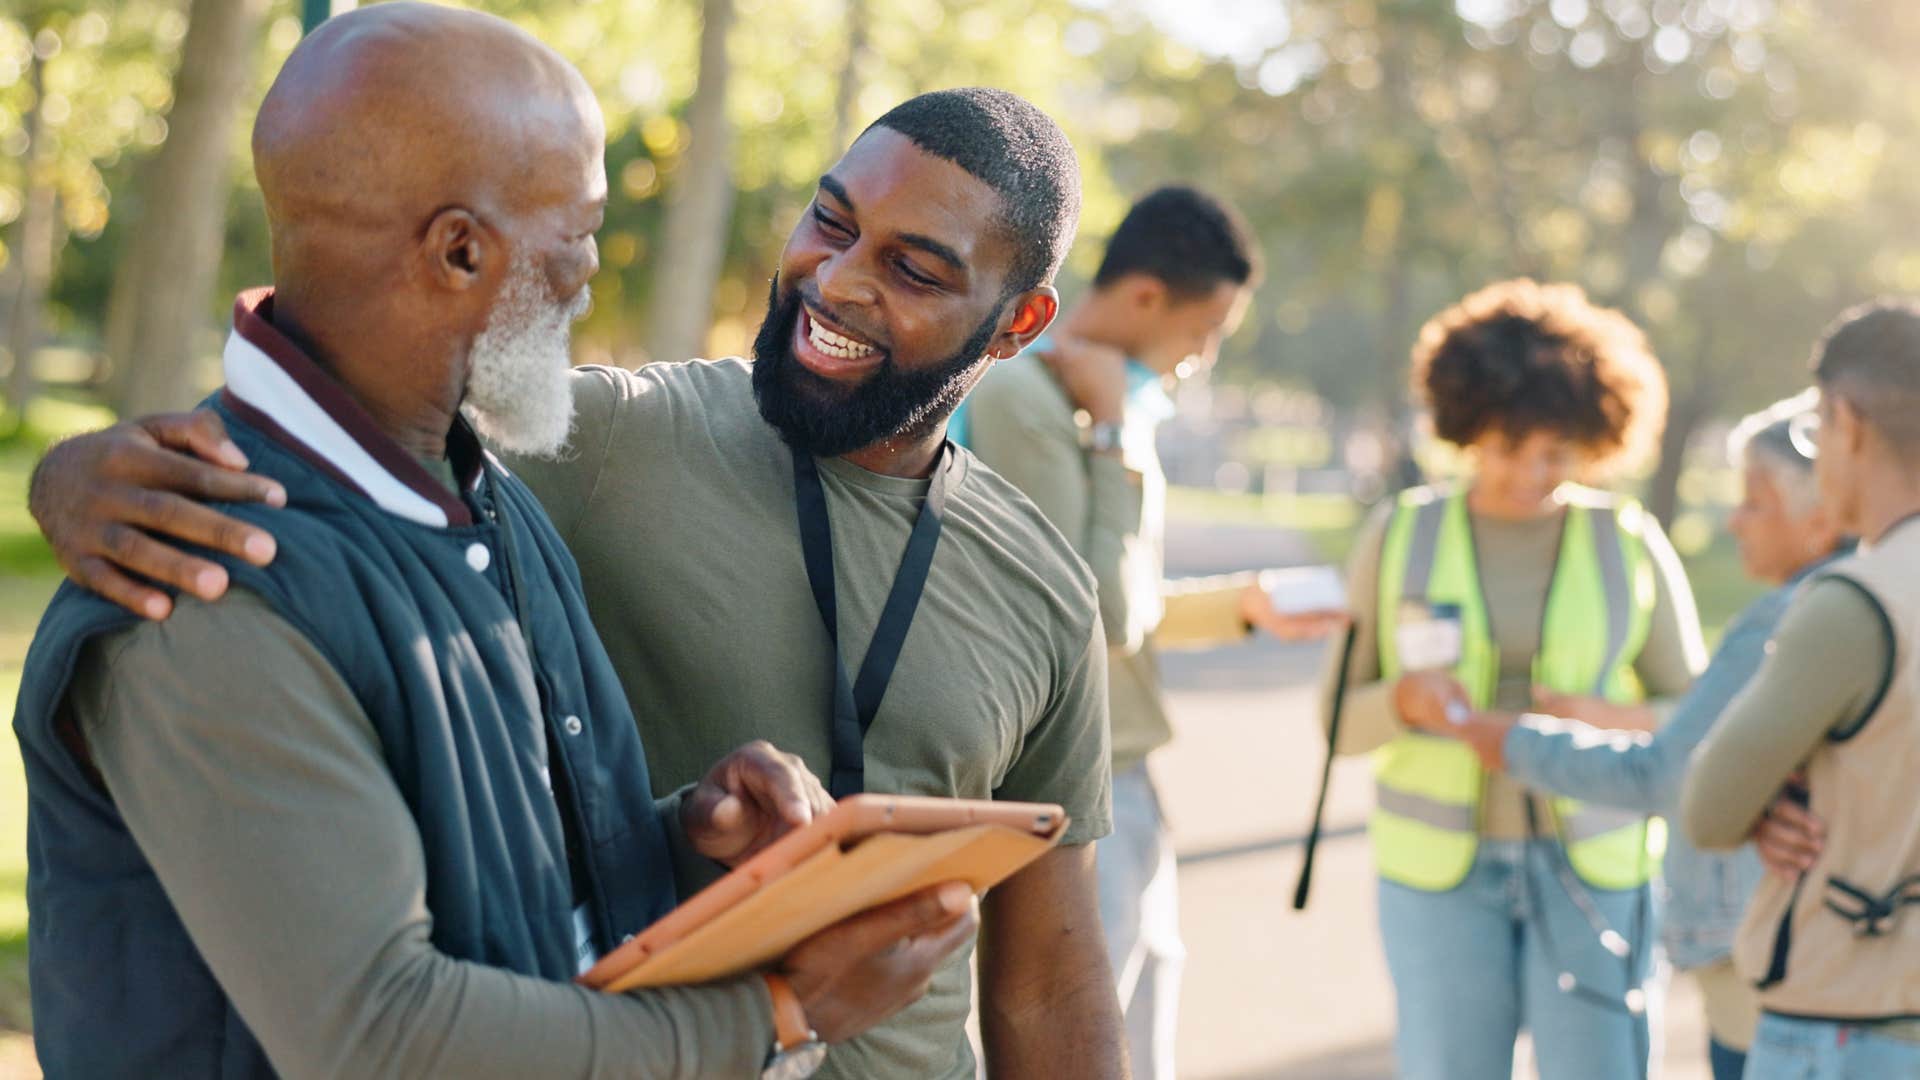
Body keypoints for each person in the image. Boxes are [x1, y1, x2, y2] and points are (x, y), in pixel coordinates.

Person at [29, 87, 1125, 1078]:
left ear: (1020, 321)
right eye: (831, 222)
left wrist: (696, 831)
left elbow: (1049, 983)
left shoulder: (1045, 589)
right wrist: (71, 475)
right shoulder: (610, 436)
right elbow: (325, 425)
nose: (837, 279)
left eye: (915, 269)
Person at [960, 185, 1341, 1080]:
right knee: (1089, 1044)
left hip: (1122, 771)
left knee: (1141, 1024)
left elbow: (1112, 604)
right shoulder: (1034, 395)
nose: (1202, 358)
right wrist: (1119, 442)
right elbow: (1103, 612)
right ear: (1144, 299)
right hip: (1072, 780)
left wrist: (1244, 608)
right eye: (1205, 330)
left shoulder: (1094, 395)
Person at [1320, 279, 1707, 1080]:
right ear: (1468, 429)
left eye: (1556, 451)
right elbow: (1335, 724)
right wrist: (1400, 700)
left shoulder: (1629, 542)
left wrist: (1605, 716)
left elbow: (1698, 719)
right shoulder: (1400, 535)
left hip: (1597, 874)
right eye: (1509, 446)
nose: (1533, 471)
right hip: (1440, 884)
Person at [1418, 392, 1847, 1080]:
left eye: (1753, 501)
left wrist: (1514, 742)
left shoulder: (1780, 621)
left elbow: (1671, 772)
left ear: (1821, 516)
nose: (1733, 520)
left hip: (1763, 975)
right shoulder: (1862, 598)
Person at [1683, 300, 1920, 1079]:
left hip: (1847, 1022)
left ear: (1847, 422)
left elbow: (1710, 808)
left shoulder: (1858, 603)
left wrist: (1772, 798)